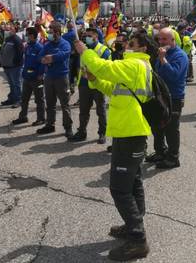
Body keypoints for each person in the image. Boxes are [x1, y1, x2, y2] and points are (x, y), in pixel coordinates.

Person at [74, 33, 156, 261]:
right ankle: (134, 224)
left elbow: (104, 67)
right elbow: (113, 88)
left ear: (142, 47)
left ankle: (138, 240)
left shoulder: (135, 64)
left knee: (119, 188)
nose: (125, 46)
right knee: (133, 181)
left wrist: (85, 52)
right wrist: (94, 79)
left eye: (131, 43)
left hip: (130, 131)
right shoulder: (136, 66)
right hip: (127, 130)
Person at [148, 27, 188, 169]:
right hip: (160, 96)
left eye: (164, 39)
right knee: (157, 126)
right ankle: (160, 152)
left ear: (173, 40)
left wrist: (163, 59)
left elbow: (174, 75)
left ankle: (173, 158)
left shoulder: (180, 55)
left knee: (171, 129)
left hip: (173, 97)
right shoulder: (161, 53)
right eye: (159, 39)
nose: (161, 42)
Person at [69, 27, 110, 143]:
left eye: (90, 36)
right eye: (86, 36)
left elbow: (104, 67)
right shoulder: (83, 49)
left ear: (96, 37)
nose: (87, 38)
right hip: (84, 83)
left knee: (100, 110)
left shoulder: (103, 50)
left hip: (98, 84)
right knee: (83, 110)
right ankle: (82, 132)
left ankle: (102, 133)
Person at [36, 22, 72, 136]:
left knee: (64, 104)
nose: (49, 35)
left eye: (51, 32)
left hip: (61, 78)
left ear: (57, 32)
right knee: (50, 103)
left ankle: (68, 127)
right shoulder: (48, 44)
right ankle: (50, 125)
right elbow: (40, 56)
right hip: (49, 77)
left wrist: (52, 57)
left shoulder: (65, 43)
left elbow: (64, 54)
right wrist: (44, 59)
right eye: (49, 32)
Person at [12, 27, 45, 126]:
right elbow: (25, 61)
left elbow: (43, 63)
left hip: (36, 78)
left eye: (27, 35)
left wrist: (40, 74)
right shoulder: (27, 46)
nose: (26, 37)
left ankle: (41, 118)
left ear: (32, 35)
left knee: (39, 99)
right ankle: (23, 117)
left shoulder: (40, 47)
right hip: (27, 77)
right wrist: (24, 72)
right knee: (24, 99)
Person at [0, 23, 24, 108]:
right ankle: (12, 98)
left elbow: (20, 53)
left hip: (15, 66)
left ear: (14, 30)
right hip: (7, 66)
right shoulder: (7, 39)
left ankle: (19, 100)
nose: (7, 30)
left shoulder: (17, 40)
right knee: (11, 84)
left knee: (16, 84)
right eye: (6, 29)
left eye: (9, 29)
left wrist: (15, 63)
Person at [62, 20, 79, 96]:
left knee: (69, 74)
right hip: (76, 56)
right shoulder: (76, 34)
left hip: (70, 57)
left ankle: (70, 88)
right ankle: (73, 87)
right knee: (76, 73)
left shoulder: (65, 36)